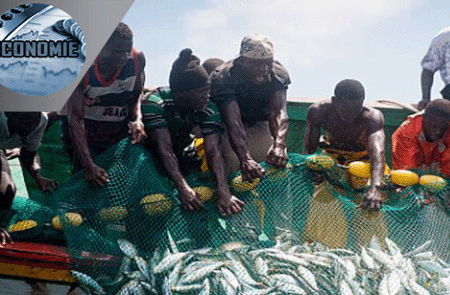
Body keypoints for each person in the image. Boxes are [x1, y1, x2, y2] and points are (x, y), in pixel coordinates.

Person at [142, 49, 243, 217]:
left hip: (182, 154)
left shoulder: (207, 107)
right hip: (150, 159)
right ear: (181, 94)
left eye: (208, 90)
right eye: (202, 92)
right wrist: (182, 187)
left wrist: (223, 191)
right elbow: (164, 149)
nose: (208, 96)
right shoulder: (155, 103)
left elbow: (213, 151)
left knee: (198, 201)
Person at [65, 22, 146, 187]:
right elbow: (76, 119)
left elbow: (136, 97)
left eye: (126, 51)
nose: (124, 57)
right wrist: (89, 165)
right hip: (88, 141)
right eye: (117, 52)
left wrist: (138, 119)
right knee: (86, 188)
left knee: (121, 189)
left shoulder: (137, 60)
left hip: (119, 139)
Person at [210, 34, 290, 181]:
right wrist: (245, 158)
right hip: (230, 126)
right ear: (243, 61)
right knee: (234, 162)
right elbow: (233, 120)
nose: (264, 69)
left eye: (268, 63)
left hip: (262, 123)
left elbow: (278, 113)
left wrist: (279, 145)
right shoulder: (224, 77)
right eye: (257, 64)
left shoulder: (277, 73)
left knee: (277, 164)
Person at [304, 79, 386, 210]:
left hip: (362, 164)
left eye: (356, 111)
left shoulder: (372, 118)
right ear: (335, 101)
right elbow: (309, 152)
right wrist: (313, 171)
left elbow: (378, 153)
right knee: (322, 198)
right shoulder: (318, 112)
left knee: (370, 202)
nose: (351, 117)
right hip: (334, 162)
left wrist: (375, 188)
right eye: (347, 111)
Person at [0, 112, 57, 244]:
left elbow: (29, 154)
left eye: (33, 123)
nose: (30, 128)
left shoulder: (40, 120)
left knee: (5, 194)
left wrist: (38, 177)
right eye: (25, 123)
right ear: (9, 115)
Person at [391, 98, 450, 179]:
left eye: (443, 127)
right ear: (424, 118)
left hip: (437, 173)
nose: (438, 131)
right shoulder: (407, 131)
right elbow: (406, 169)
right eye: (434, 126)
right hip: (413, 168)